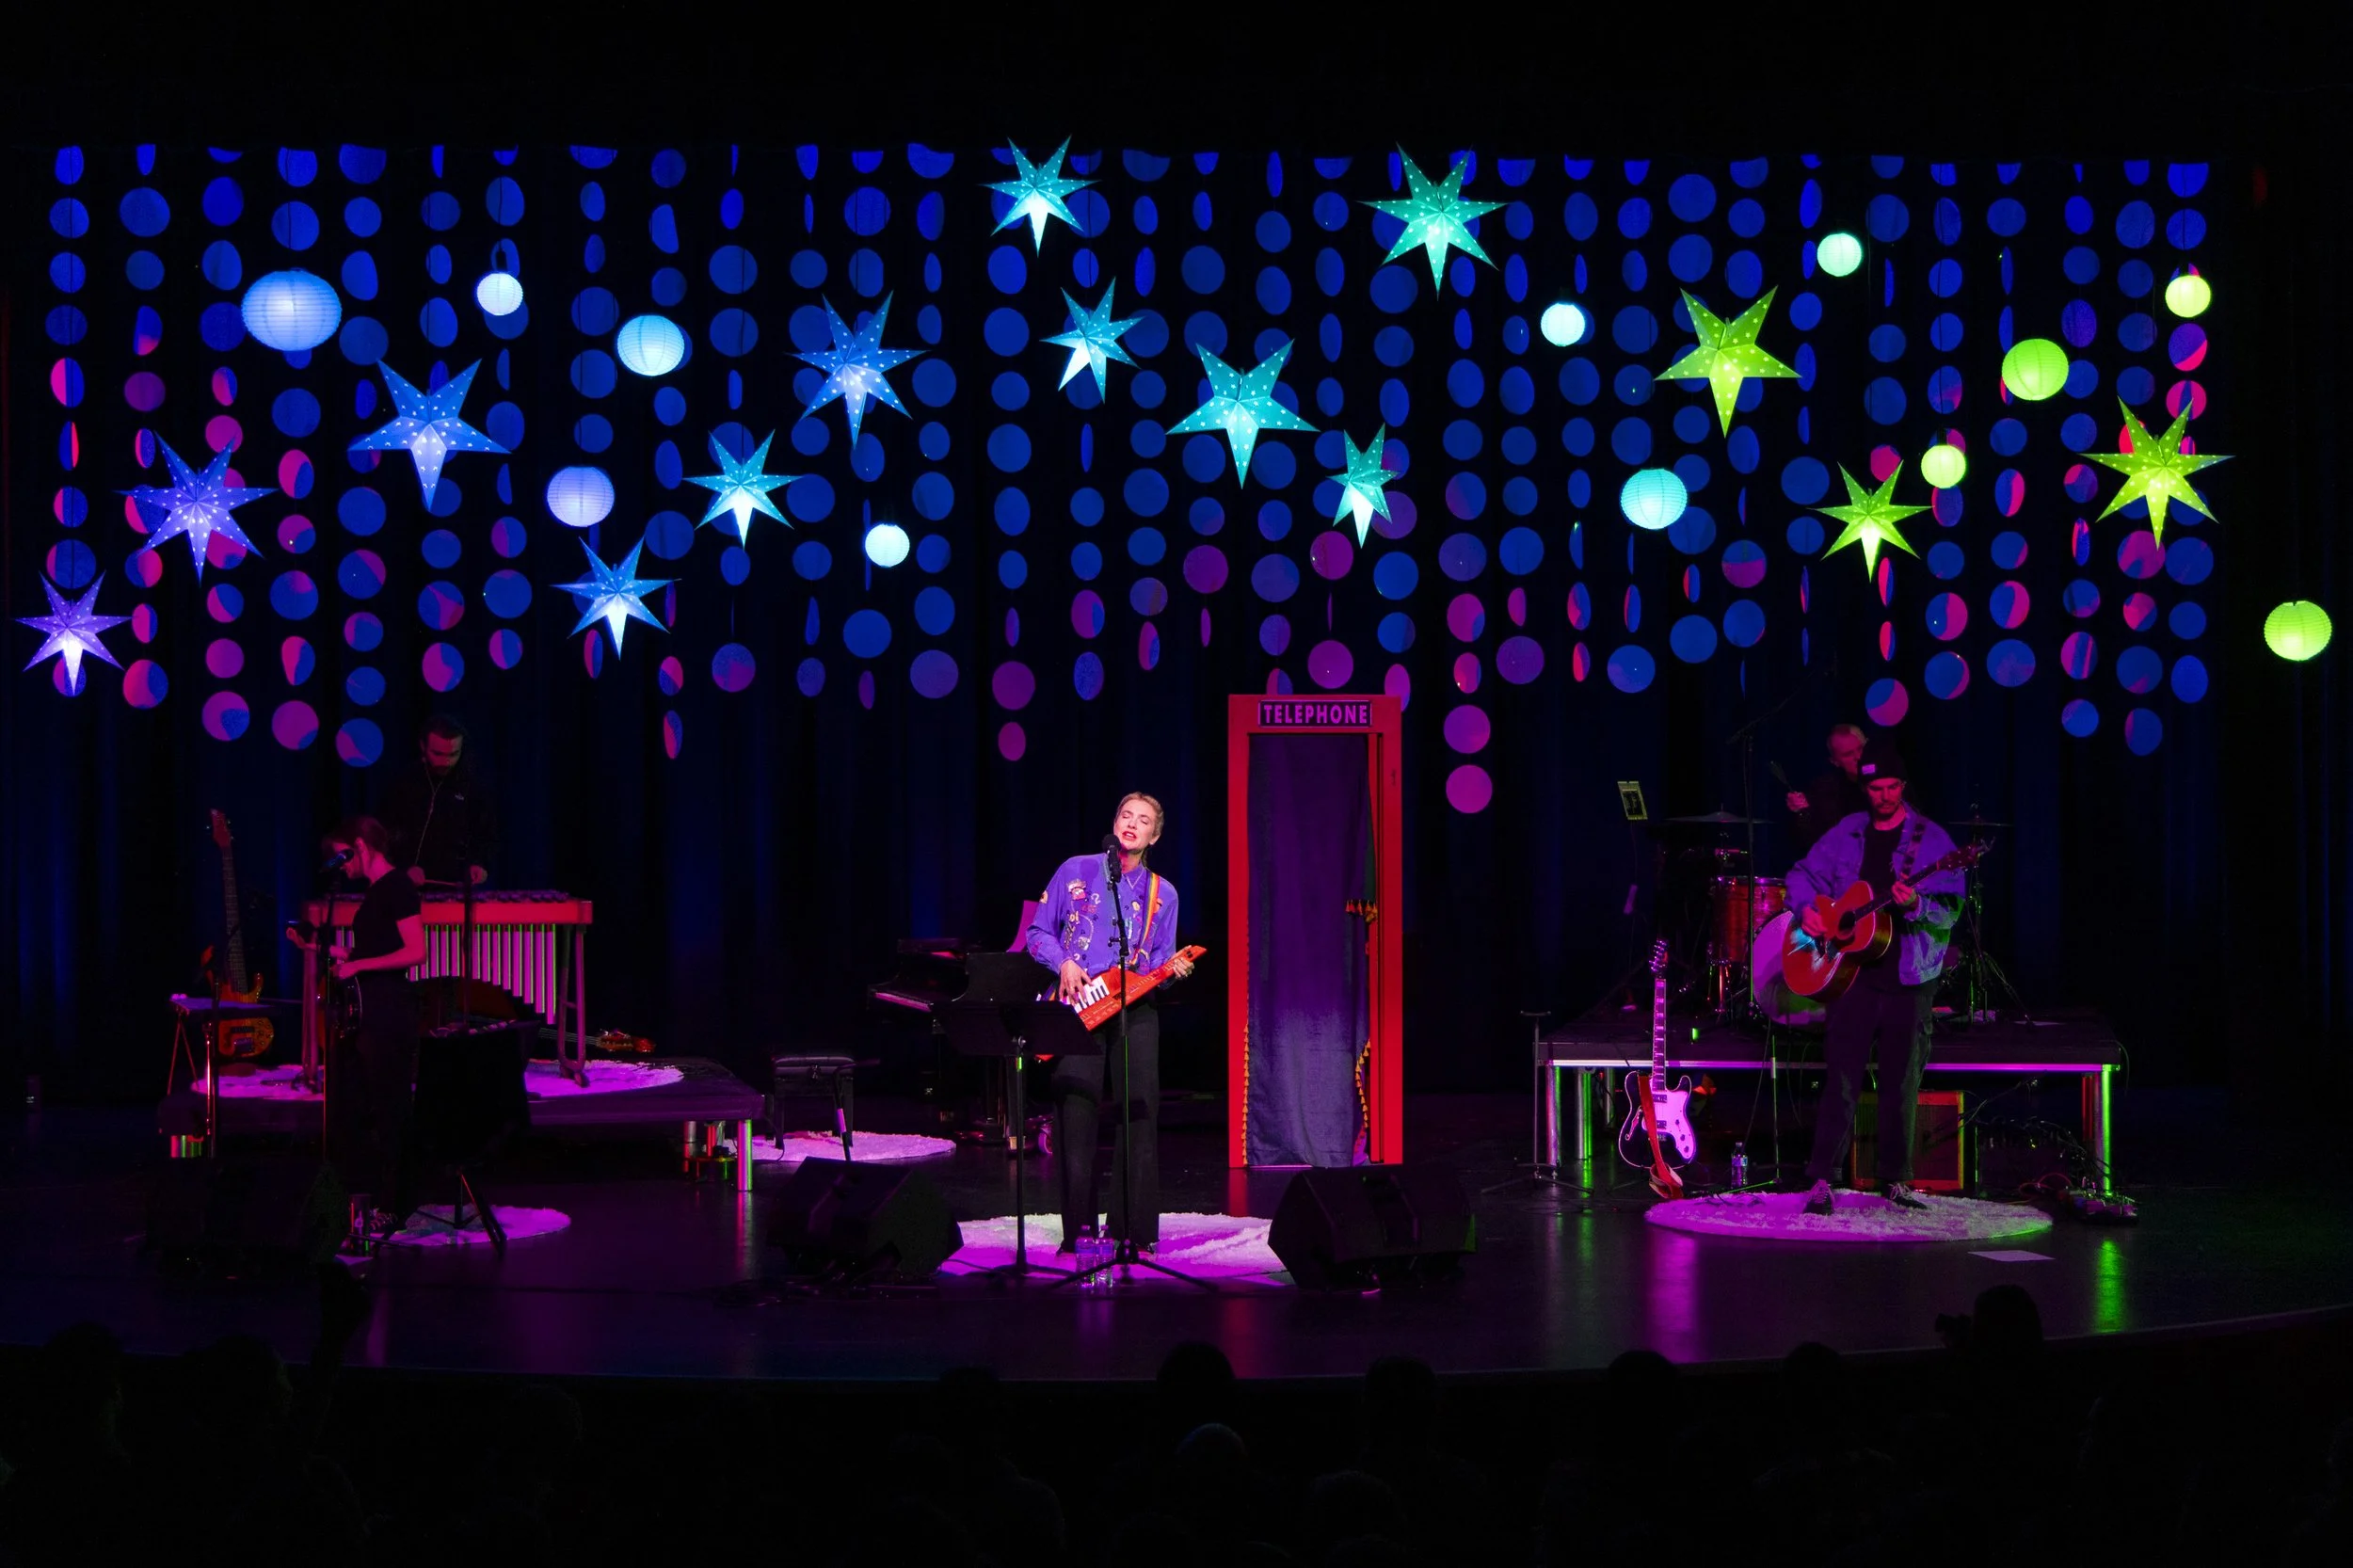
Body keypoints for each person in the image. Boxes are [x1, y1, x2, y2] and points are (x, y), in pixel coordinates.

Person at [1785, 743, 1962, 1214]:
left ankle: (1896, 1179)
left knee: (1901, 1081)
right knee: (1841, 1077)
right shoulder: (1847, 832)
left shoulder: (1934, 841)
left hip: (1909, 974)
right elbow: (1801, 875)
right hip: (1851, 974)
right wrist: (1807, 910)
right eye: (1875, 788)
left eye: (1891, 787)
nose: (1883, 796)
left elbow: (1950, 911)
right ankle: (1823, 1179)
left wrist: (1917, 904)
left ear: (1903, 786)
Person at [1025, 792, 1194, 1256]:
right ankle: (1077, 1230)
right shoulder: (1075, 870)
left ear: (1154, 836)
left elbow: (1158, 963)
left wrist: (1171, 972)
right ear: (1115, 823)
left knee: (1138, 1112)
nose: (1132, 824)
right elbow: (1036, 933)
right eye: (1126, 815)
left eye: (1144, 820)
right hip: (1081, 1003)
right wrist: (1062, 962)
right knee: (1075, 1111)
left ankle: (1132, 1231)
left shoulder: (1163, 893)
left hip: (1134, 1008)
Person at [320, 817, 426, 1235]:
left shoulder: (397, 886)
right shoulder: (376, 891)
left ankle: (396, 1203)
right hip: (371, 1013)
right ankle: (365, 1195)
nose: (341, 866)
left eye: (342, 856)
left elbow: (415, 952)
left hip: (389, 1014)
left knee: (390, 1109)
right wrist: (327, 949)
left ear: (360, 846)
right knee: (361, 1106)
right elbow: (371, 951)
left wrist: (359, 965)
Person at [382, 714, 495, 888]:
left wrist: (479, 864)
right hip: (405, 884)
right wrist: (405, 867)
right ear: (423, 746)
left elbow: (486, 834)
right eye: (438, 754)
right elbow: (385, 834)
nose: (446, 762)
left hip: (455, 886)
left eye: (454, 754)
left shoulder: (472, 785)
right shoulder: (403, 783)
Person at [1785, 723, 1870, 856]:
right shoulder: (1825, 791)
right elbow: (1813, 843)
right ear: (1835, 761)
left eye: (1861, 749)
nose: (1858, 757)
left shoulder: (1891, 777)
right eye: (1848, 754)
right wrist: (1802, 813)